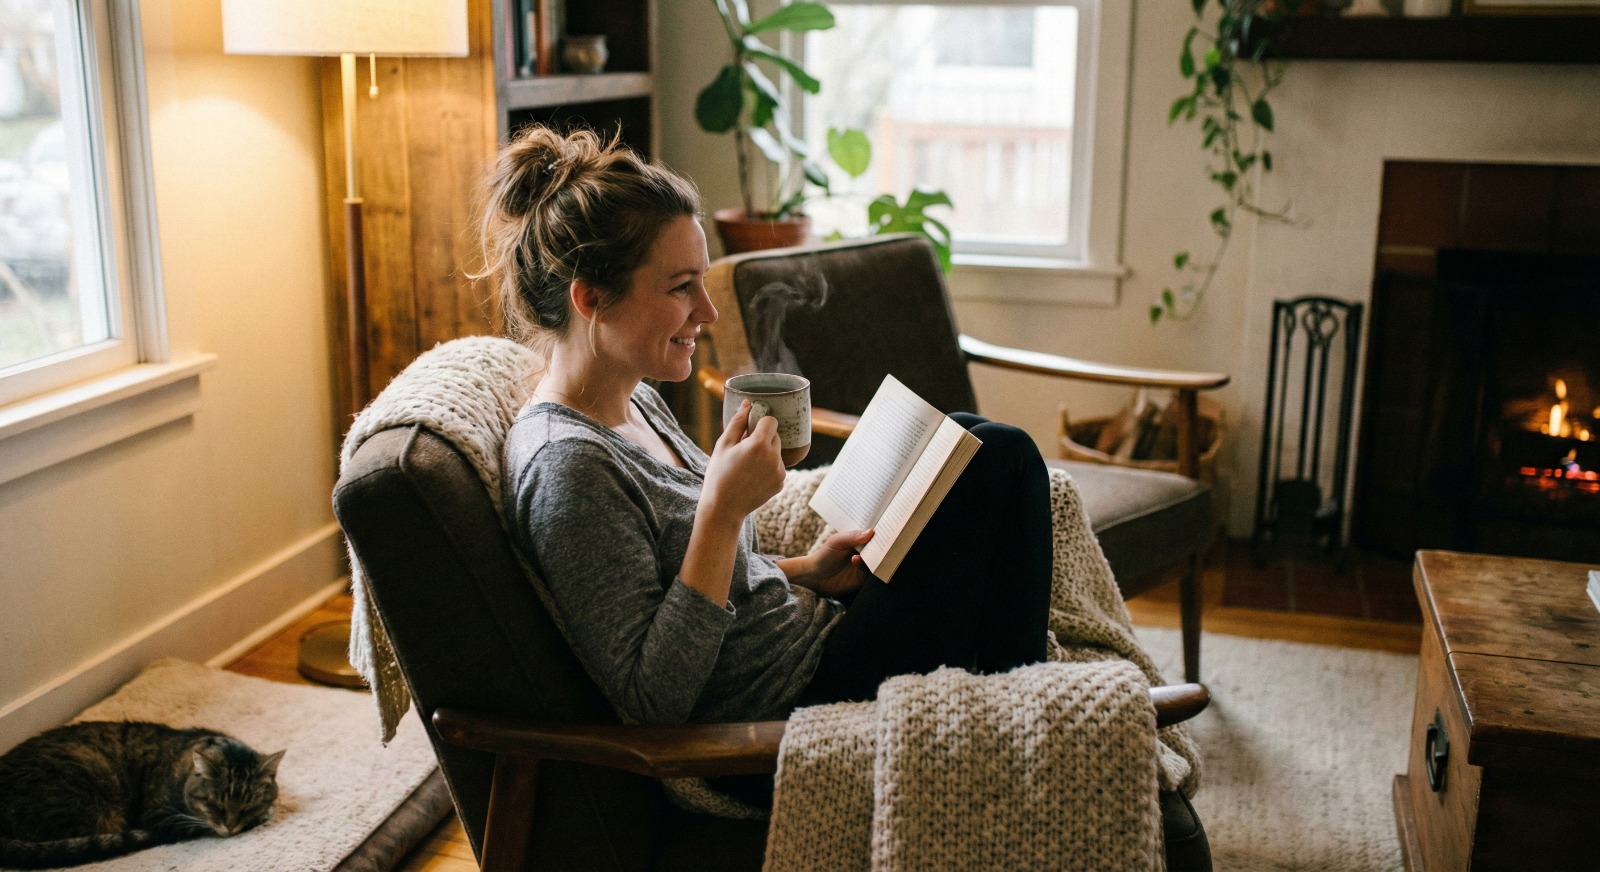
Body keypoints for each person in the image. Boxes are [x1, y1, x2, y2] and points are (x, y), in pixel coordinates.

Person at [484, 126, 1053, 736]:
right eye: (681, 287)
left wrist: (806, 568)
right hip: (796, 706)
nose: (707, 311)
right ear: (591, 298)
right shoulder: (568, 471)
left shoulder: (635, 402)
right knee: (1003, 457)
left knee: (964, 439)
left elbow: (686, 582)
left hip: (812, 639)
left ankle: (1005, 708)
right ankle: (1014, 730)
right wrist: (723, 512)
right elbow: (653, 696)